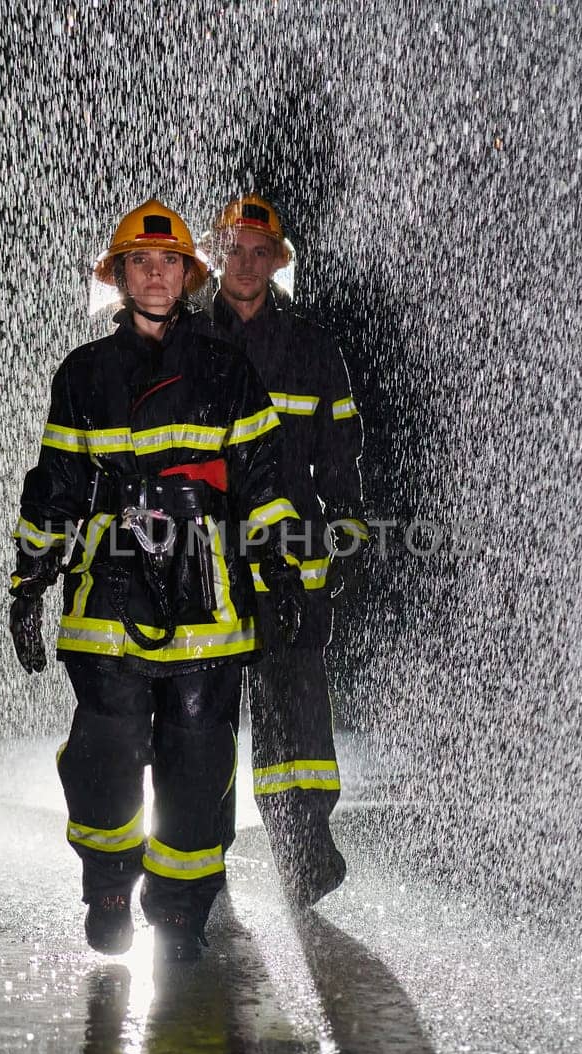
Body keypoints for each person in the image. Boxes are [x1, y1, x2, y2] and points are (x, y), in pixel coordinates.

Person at [7, 198, 306, 961]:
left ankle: (178, 911)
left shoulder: (227, 370)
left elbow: (262, 477)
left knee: (198, 755)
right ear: (118, 276)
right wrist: (30, 579)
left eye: (167, 261)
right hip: (109, 591)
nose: (153, 273)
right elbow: (58, 483)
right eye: (138, 262)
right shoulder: (83, 373)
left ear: (186, 274)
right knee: (106, 746)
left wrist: (280, 569)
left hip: (206, 593)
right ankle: (109, 886)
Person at [204, 194, 367, 908]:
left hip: (292, 559)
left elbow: (341, 457)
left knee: (295, 715)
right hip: (203, 560)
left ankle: (303, 851)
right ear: (214, 255)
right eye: (233, 249)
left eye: (258, 251)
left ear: (277, 262)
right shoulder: (182, 339)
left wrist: (350, 530)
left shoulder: (312, 347)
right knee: (199, 715)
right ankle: (200, 856)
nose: (245, 263)